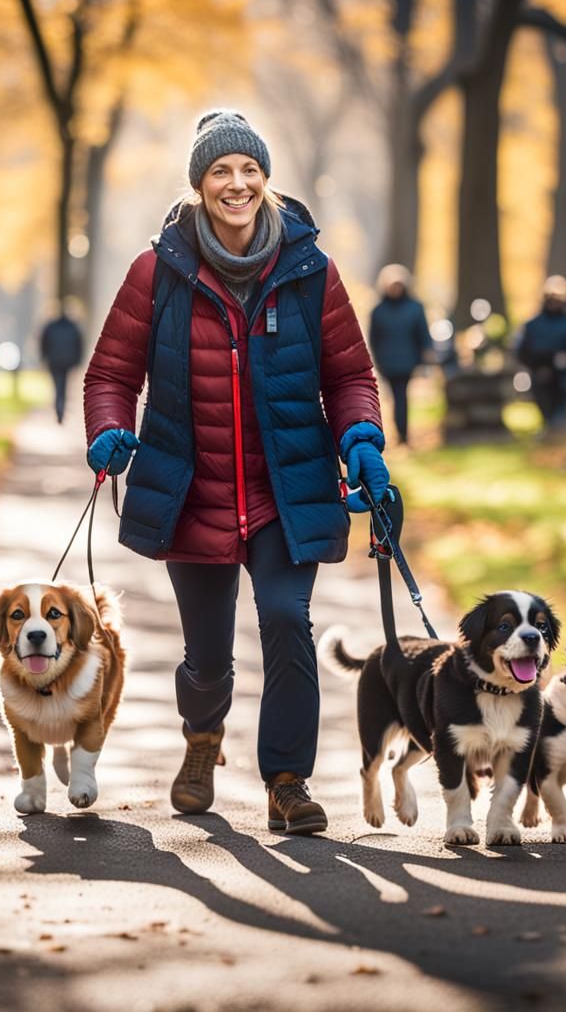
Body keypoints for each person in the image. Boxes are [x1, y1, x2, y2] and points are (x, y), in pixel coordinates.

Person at [83, 110, 387, 836]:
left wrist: (362, 438)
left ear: (265, 180)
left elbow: (349, 373)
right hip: (192, 488)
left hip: (288, 485)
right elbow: (110, 374)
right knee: (208, 655)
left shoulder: (310, 269)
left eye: (248, 170)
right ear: (198, 185)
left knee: (288, 622)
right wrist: (108, 431)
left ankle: (288, 780)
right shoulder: (158, 271)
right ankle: (202, 739)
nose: (237, 183)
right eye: (221, 171)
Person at [368, 264, 432, 446]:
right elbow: (373, 338)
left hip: (407, 362)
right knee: (395, 398)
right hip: (387, 363)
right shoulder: (378, 310)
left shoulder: (415, 308)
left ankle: (402, 433)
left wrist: (425, 355)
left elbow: (423, 334)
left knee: (401, 397)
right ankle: (399, 431)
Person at [516, 275, 566, 431]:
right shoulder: (533, 325)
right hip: (541, 377)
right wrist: (539, 366)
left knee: (561, 415)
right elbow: (523, 351)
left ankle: (560, 432)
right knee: (547, 413)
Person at [40, 302, 84, 424]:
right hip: (67, 361)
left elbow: (43, 343)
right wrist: (77, 359)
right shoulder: (73, 327)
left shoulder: (50, 326)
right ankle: (60, 408)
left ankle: (59, 407)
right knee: (63, 386)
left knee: (58, 385)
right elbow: (79, 344)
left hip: (54, 361)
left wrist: (44, 357)